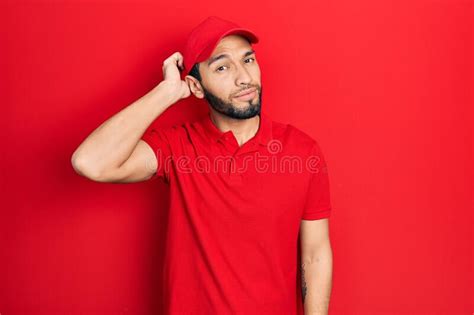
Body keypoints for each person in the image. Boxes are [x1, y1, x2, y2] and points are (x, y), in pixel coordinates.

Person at [71, 15, 333, 315]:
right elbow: (90, 162)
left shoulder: (302, 151)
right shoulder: (177, 147)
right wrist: (167, 93)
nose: (243, 77)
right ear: (196, 87)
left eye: (248, 60)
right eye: (222, 67)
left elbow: (315, 254)